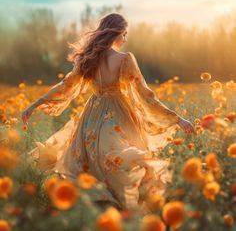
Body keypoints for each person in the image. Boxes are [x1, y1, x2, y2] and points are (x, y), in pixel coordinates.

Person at [21, 13, 195, 214]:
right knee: (121, 159)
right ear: (117, 32)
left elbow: (65, 85)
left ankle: (98, 209)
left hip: (91, 118)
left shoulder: (88, 59)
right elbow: (146, 96)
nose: (125, 38)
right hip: (118, 115)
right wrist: (177, 119)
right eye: (125, 33)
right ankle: (123, 208)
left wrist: (34, 105)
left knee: (94, 161)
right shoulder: (125, 59)